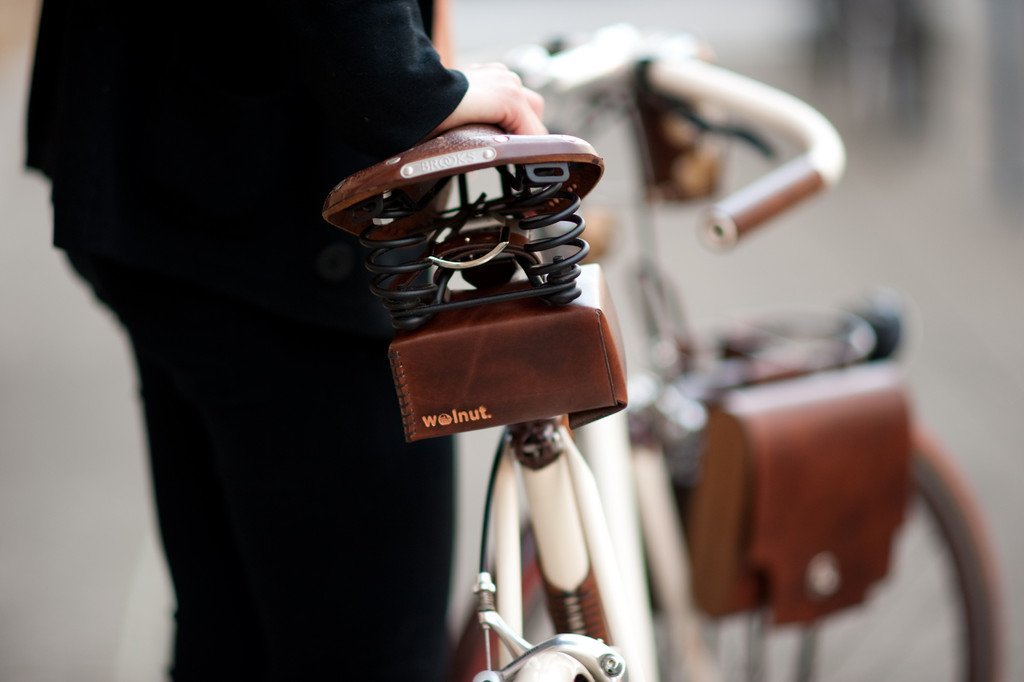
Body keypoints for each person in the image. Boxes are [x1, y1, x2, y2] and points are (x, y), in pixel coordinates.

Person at [26, 1, 545, 679]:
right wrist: (408, 84)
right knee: (366, 648)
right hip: (284, 217)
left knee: (236, 632)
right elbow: (376, 81)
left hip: (166, 159)